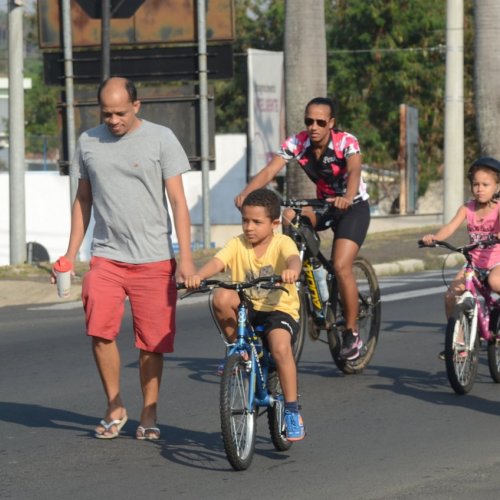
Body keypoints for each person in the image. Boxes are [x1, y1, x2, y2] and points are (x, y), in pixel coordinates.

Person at [53, 77, 195, 440]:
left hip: (154, 258)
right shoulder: (88, 142)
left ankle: (149, 412)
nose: (113, 120)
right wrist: (70, 255)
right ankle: (115, 404)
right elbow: (83, 200)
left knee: (152, 343)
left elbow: (178, 202)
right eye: (106, 113)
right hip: (107, 256)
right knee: (99, 327)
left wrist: (186, 259)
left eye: (119, 112)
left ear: (137, 105)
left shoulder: (161, 138)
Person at [234, 97, 370, 360]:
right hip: (322, 204)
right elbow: (269, 170)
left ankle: (352, 333)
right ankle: (312, 275)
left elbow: (354, 172)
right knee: (289, 218)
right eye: (309, 121)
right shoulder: (297, 143)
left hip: (352, 206)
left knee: (341, 266)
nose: (314, 127)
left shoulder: (346, 142)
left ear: (331, 123)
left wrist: (347, 196)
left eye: (321, 122)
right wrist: (247, 193)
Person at [184, 188, 305, 441]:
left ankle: (292, 410)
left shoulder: (282, 242)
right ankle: (238, 349)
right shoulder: (237, 243)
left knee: (281, 348)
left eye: (257, 222)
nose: (249, 227)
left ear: (274, 223)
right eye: (245, 220)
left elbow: (293, 259)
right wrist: (199, 276)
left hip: (278, 308)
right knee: (220, 296)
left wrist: (292, 271)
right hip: (248, 307)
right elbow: (218, 262)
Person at [421, 157, 500, 358]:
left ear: (497, 186)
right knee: (451, 296)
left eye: (485, 184)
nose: (479, 189)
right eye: (476, 184)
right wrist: (435, 238)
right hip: (474, 263)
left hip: (496, 262)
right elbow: (450, 227)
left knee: (495, 281)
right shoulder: (467, 208)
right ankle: (459, 343)